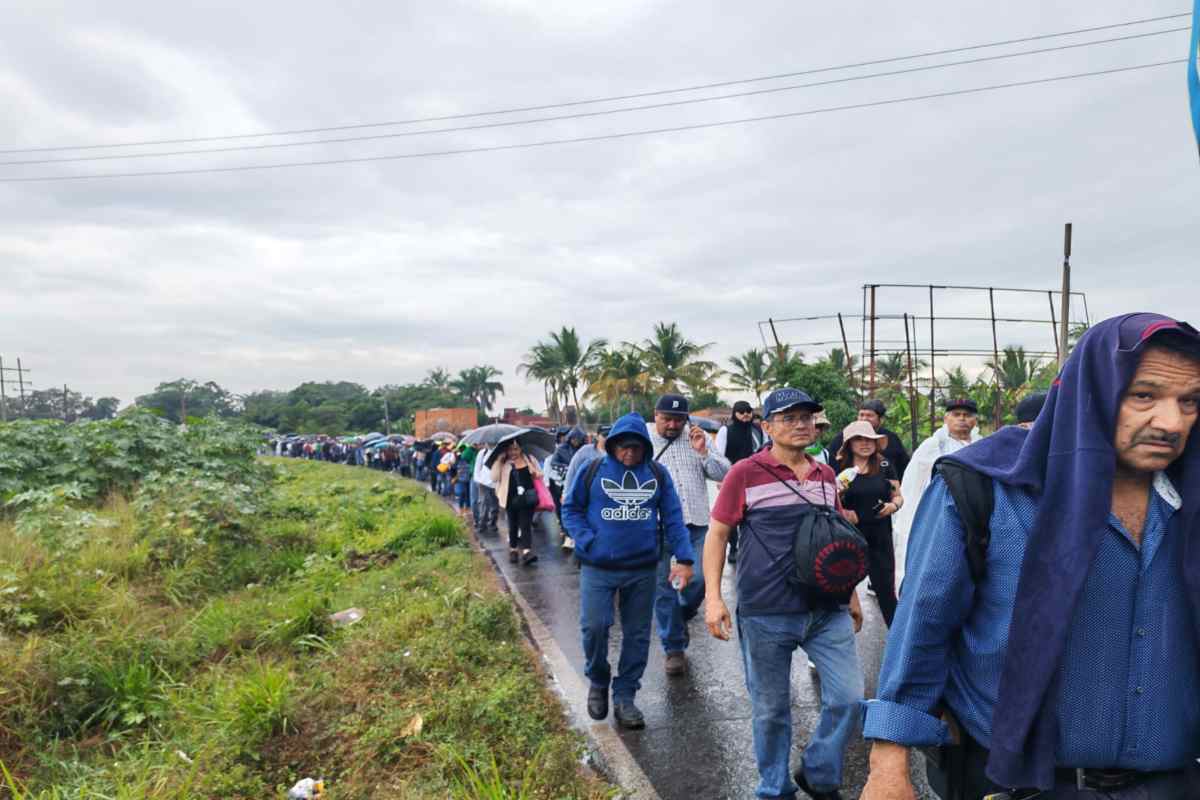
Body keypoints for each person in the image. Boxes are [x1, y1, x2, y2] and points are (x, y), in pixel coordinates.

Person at [860, 313, 1200, 800]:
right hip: (1022, 786)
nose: (1171, 422)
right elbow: (924, 629)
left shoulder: (1191, 503)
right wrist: (888, 766)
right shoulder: (986, 488)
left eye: (1189, 401)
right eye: (1143, 395)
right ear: (1091, 392)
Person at [704, 388, 866, 800]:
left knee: (849, 698)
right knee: (772, 710)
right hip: (766, 611)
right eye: (789, 417)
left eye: (807, 417)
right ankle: (774, 789)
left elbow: (834, 541)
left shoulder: (827, 475)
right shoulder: (744, 472)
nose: (800, 424)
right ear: (767, 426)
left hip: (825, 609)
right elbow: (718, 533)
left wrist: (850, 595)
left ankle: (817, 772)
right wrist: (714, 597)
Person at [561, 412, 697, 730]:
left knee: (636, 635)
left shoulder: (657, 475)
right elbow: (571, 508)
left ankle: (625, 696)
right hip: (598, 567)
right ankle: (598, 679)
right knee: (594, 627)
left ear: (645, 448)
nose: (629, 453)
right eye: (623, 447)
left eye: (636, 447)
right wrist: (586, 540)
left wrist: (686, 559)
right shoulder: (592, 469)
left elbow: (674, 519)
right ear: (612, 445)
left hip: (642, 568)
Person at [646, 393, 731, 676]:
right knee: (662, 589)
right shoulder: (643, 440)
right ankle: (674, 648)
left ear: (687, 418)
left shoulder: (699, 438)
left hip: (696, 523)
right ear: (655, 415)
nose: (672, 425)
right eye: (666, 418)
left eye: (678, 419)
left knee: (702, 581)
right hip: (656, 526)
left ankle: (680, 615)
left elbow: (724, 474)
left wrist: (703, 452)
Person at [891, 398, 981, 587]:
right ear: (946, 419)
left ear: (975, 421)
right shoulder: (933, 446)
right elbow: (913, 483)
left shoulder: (983, 445)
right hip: (941, 513)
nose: (962, 419)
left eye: (967, 415)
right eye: (957, 415)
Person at [833, 420, 903, 627]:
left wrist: (893, 507)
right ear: (849, 444)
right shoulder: (838, 467)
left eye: (869, 439)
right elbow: (825, 499)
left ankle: (899, 642)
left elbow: (898, 496)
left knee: (885, 591)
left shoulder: (884, 465)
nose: (865, 444)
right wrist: (842, 511)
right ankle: (832, 641)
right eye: (859, 440)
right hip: (847, 536)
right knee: (840, 589)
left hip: (880, 535)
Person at [715, 400, 765, 565]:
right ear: (734, 414)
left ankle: (750, 547)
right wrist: (722, 479)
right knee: (730, 515)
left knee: (752, 514)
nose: (745, 415)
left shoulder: (758, 430)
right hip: (732, 478)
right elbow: (719, 456)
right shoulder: (725, 431)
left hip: (755, 479)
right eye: (741, 412)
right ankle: (734, 548)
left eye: (748, 412)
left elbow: (765, 452)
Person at [824, 398, 911, 479]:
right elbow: (830, 463)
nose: (864, 419)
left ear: (881, 419)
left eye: (869, 415)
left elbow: (903, 466)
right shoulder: (844, 437)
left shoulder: (892, 439)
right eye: (861, 415)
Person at [491, 440, 543, 566]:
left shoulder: (529, 459)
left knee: (525, 525)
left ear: (521, 449)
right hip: (510, 499)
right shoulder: (503, 462)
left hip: (527, 498)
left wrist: (536, 473)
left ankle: (526, 552)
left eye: (516, 449)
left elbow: (540, 475)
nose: (513, 452)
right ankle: (513, 550)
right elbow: (494, 478)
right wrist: (498, 460)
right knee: (513, 525)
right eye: (510, 449)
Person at [561, 425, 610, 551]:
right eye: (605, 435)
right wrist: (566, 493)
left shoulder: (615, 452)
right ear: (598, 436)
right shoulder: (585, 451)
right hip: (585, 495)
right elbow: (572, 470)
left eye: (610, 435)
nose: (607, 438)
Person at [547, 427, 585, 521]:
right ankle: (564, 525)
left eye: (578, 439)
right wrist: (566, 468)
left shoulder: (584, 449)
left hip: (580, 480)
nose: (575, 441)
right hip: (563, 482)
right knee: (563, 504)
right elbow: (554, 463)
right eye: (573, 439)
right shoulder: (561, 449)